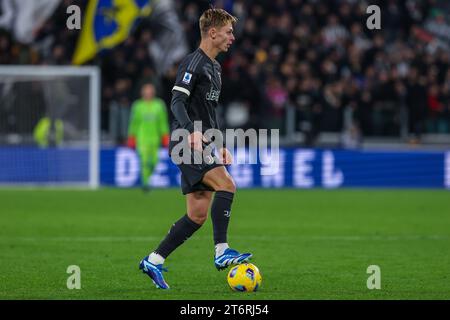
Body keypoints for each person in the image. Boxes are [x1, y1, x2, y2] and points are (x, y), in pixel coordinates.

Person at [138, 8, 252, 289]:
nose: (232, 38)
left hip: (200, 141)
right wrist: (191, 132)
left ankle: (154, 259)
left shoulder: (214, 67)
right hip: (185, 141)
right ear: (212, 33)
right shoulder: (193, 63)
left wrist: (220, 145)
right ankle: (221, 251)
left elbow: (209, 114)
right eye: (228, 32)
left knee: (197, 215)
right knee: (227, 184)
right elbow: (176, 101)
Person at [127, 83, 169, 191]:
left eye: (150, 91)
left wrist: (165, 136)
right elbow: (134, 123)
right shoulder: (138, 105)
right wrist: (132, 137)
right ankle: (145, 184)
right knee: (144, 161)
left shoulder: (159, 105)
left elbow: (162, 122)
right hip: (142, 138)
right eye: (146, 91)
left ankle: (147, 178)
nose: (148, 93)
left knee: (155, 161)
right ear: (142, 92)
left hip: (155, 138)